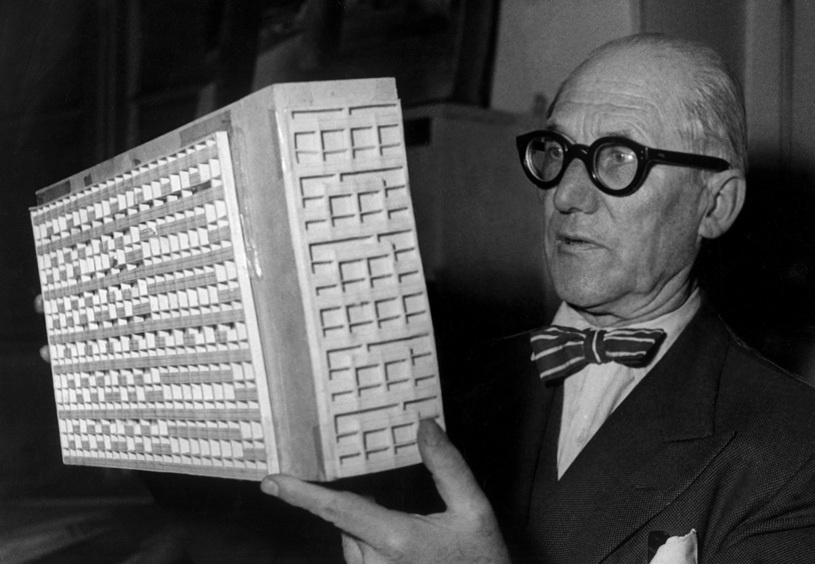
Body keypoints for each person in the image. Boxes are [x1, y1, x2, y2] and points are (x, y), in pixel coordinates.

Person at [259, 33, 815, 562]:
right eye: (557, 151)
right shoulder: (445, 385)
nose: (566, 195)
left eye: (619, 158)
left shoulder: (793, 449)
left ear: (715, 205)